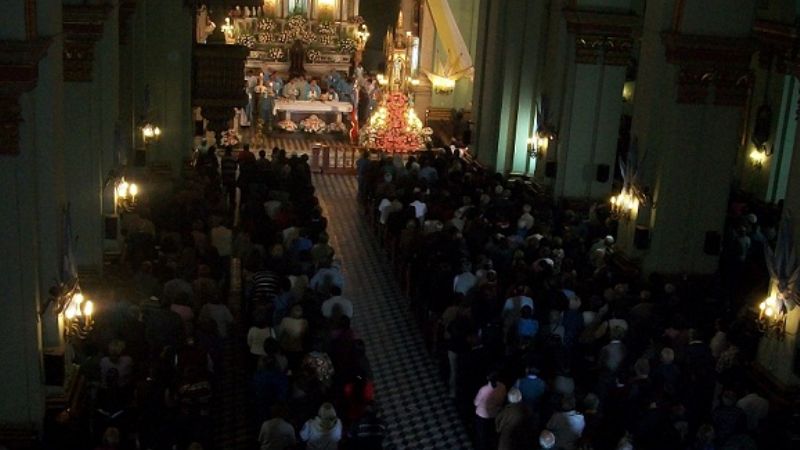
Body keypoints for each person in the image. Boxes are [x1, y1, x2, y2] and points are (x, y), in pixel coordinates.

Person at [474, 371, 507, 450]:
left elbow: (476, 403)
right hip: (495, 414)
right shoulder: (502, 387)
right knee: (492, 434)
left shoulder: (484, 389)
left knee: (482, 436)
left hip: (483, 415)